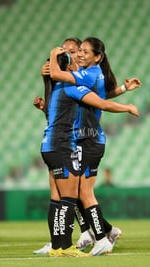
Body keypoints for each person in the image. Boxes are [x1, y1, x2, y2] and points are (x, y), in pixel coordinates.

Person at [33, 38, 128, 255]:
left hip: (85, 139)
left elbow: (101, 99)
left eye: (78, 51)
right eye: (69, 52)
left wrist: (124, 100)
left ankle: (92, 235)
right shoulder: (74, 81)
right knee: (66, 193)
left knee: (78, 193)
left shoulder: (82, 79)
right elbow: (60, 110)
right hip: (71, 140)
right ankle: (77, 237)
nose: (75, 55)